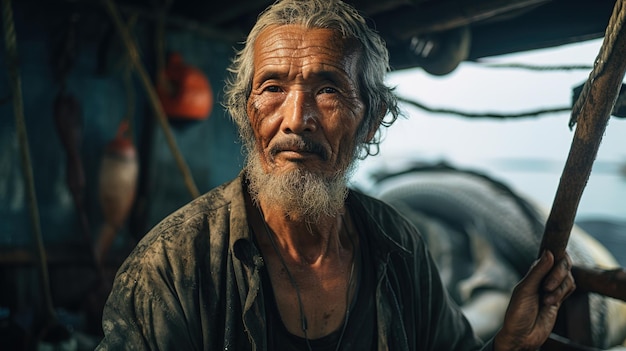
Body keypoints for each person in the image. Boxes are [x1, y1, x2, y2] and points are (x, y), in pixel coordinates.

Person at [96, 0, 575, 349]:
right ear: (248, 114)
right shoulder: (173, 265)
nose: (296, 118)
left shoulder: (397, 246)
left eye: (328, 90)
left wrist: (509, 344)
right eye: (273, 87)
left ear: (370, 119)